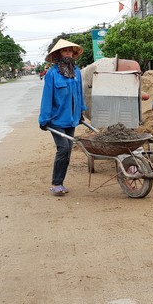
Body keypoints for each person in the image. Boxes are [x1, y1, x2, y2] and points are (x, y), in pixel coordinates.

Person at [38, 39, 87, 196]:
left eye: (70, 51)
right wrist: (44, 120)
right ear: (59, 54)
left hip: (72, 119)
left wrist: (81, 113)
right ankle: (56, 183)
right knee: (63, 148)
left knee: (68, 151)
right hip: (56, 119)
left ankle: (61, 181)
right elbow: (47, 98)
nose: (68, 53)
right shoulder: (52, 74)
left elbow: (79, 94)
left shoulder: (76, 72)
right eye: (65, 51)